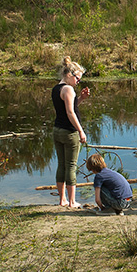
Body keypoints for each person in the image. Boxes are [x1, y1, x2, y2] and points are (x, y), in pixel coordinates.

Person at [52, 56, 90, 208]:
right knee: (71, 166)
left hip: (57, 130)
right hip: (69, 132)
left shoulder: (57, 88)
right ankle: (72, 201)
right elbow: (70, 112)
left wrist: (81, 98)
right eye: (77, 78)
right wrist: (81, 131)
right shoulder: (68, 89)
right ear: (69, 74)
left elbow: (69, 107)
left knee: (61, 165)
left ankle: (62, 200)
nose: (78, 82)